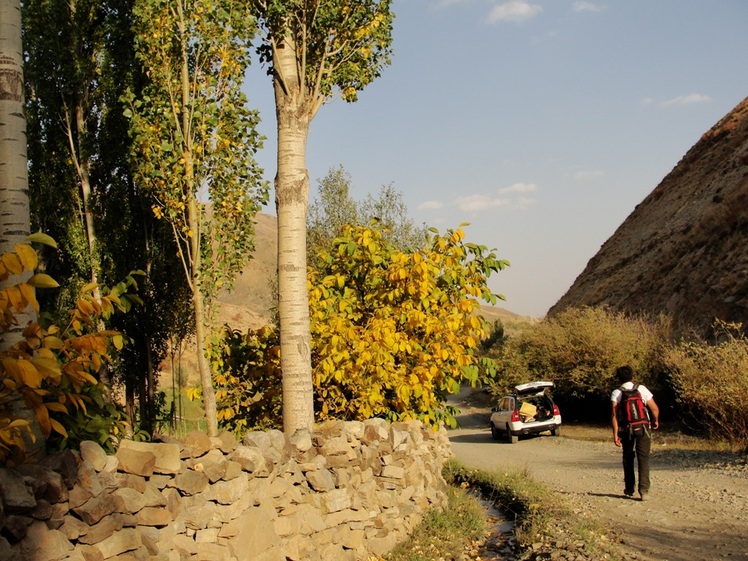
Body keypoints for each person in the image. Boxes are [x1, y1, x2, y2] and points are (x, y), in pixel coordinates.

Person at [611, 365, 659, 501]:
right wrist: (655, 421)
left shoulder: (616, 393)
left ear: (619, 378)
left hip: (627, 430)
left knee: (628, 457)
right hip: (643, 428)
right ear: (632, 375)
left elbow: (614, 415)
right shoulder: (641, 389)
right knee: (643, 459)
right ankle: (644, 491)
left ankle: (629, 488)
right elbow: (654, 408)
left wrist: (615, 434)